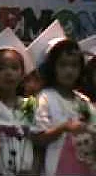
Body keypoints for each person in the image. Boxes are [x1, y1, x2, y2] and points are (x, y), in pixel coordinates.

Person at [29, 20, 95, 176]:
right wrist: (63, 128)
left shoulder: (83, 100)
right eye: (63, 65)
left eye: (74, 66)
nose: (69, 71)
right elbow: (38, 139)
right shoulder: (45, 98)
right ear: (52, 68)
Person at [0, 28, 38, 175]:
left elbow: (37, 144)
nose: (8, 73)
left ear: (22, 74)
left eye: (14, 68)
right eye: (1, 68)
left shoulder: (30, 106)